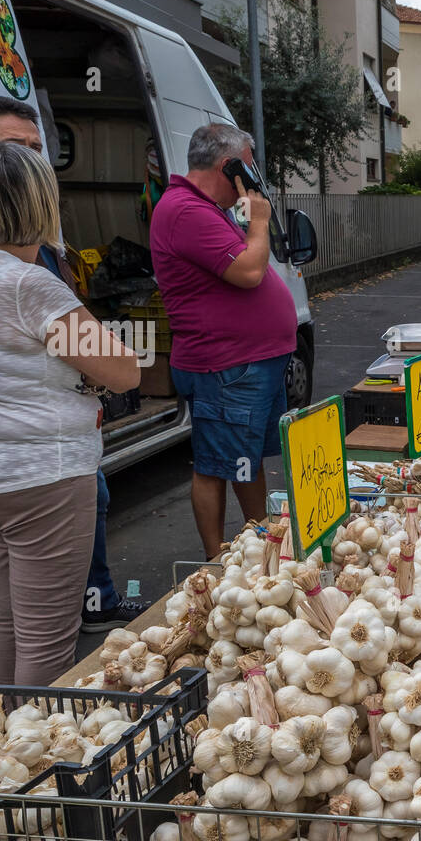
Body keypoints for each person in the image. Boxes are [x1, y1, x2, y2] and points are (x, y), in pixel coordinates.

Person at [0, 95, 144, 634]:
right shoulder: (24, 279)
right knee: (47, 634)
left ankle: (8, 711)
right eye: (16, 152)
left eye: (37, 151)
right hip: (39, 466)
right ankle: (37, 719)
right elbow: (124, 370)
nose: (30, 164)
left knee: (10, 615)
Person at [151, 124, 298, 560]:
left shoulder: (206, 208)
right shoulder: (184, 210)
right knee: (215, 466)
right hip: (224, 365)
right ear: (228, 165)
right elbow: (249, 271)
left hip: (248, 362)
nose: (252, 177)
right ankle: (217, 564)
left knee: (244, 458)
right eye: (248, 166)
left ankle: (261, 547)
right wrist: (260, 221)